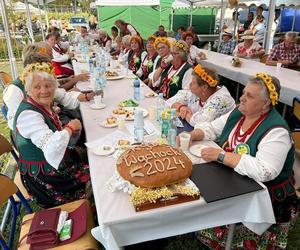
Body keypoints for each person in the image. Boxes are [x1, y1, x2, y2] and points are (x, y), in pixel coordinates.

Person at [183, 73, 297, 249]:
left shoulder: (277, 130)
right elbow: (213, 128)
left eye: (249, 96)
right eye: (243, 93)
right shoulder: (239, 112)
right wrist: (192, 135)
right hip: (235, 178)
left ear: (266, 103)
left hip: (264, 192)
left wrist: (222, 156)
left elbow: (265, 171)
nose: (242, 98)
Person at [14, 66, 91, 208]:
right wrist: (70, 128)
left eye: (48, 86)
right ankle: (87, 205)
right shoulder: (28, 115)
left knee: (91, 154)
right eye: (37, 87)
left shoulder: (41, 105)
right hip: (46, 178)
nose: (44, 90)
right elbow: (51, 148)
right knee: (96, 172)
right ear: (28, 89)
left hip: (55, 164)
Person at [3, 52, 94, 131]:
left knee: (83, 118)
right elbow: (14, 123)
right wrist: (46, 112)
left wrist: (85, 97)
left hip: (52, 123)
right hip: (34, 136)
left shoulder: (42, 82)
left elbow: (62, 96)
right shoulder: (14, 90)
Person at [166, 65, 235, 127]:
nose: (190, 85)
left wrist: (185, 113)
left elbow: (200, 122)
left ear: (204, 87)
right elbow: (170, 101)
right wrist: (181, 107)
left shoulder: (221, 100)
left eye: (193, 83)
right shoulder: (197, 92)